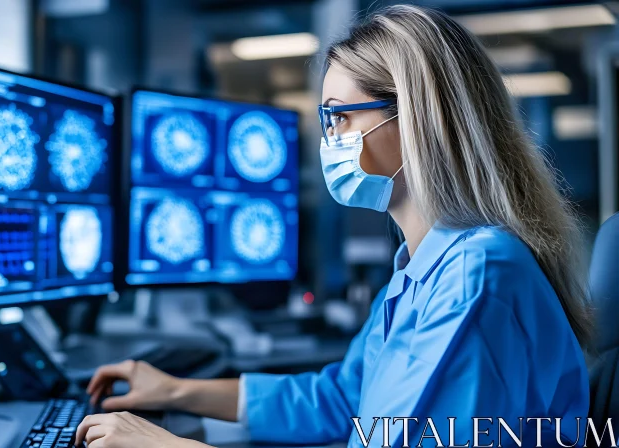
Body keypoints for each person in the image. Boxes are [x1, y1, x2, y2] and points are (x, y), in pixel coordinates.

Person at [76, 5, 592, 448]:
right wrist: (175, 391)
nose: (329, 140)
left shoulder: (476, 275)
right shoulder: (420, 271)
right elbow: (341, 399)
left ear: (413, 118)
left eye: (339, 117)